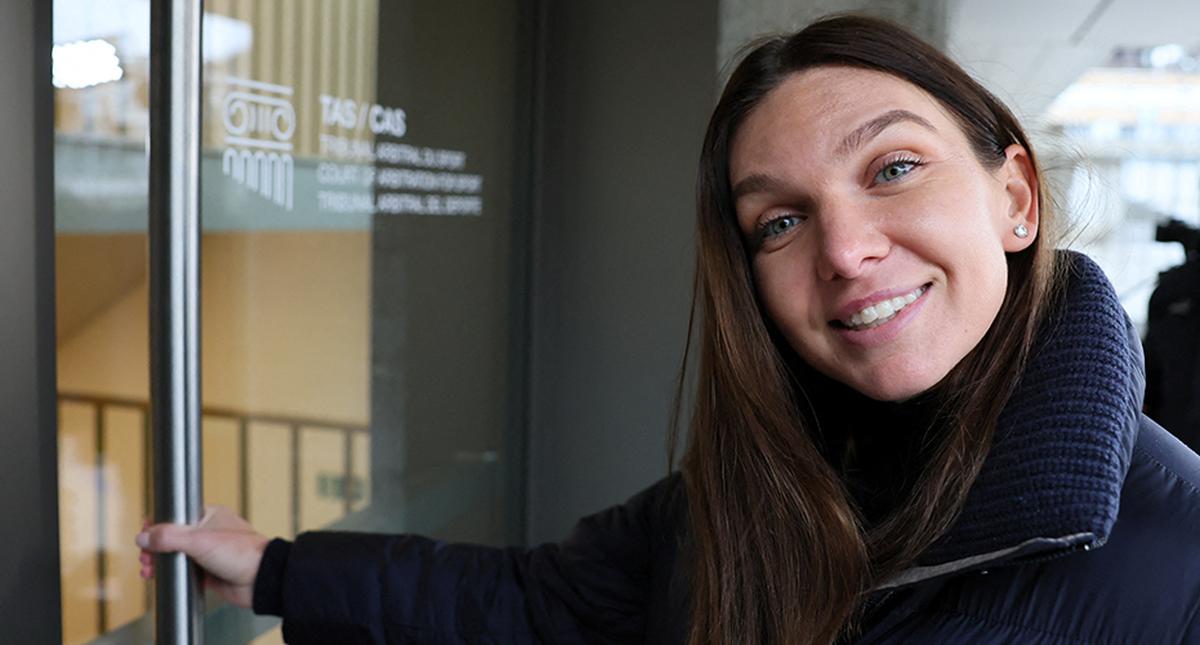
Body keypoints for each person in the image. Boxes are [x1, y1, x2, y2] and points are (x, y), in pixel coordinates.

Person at [139, 14, 1200, 644]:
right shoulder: (762, 484)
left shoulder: (1180, 554)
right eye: (778, 221)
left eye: (894, 169)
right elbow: (537, 607)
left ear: (1014, 195)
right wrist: (279, 571)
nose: (843, 249)